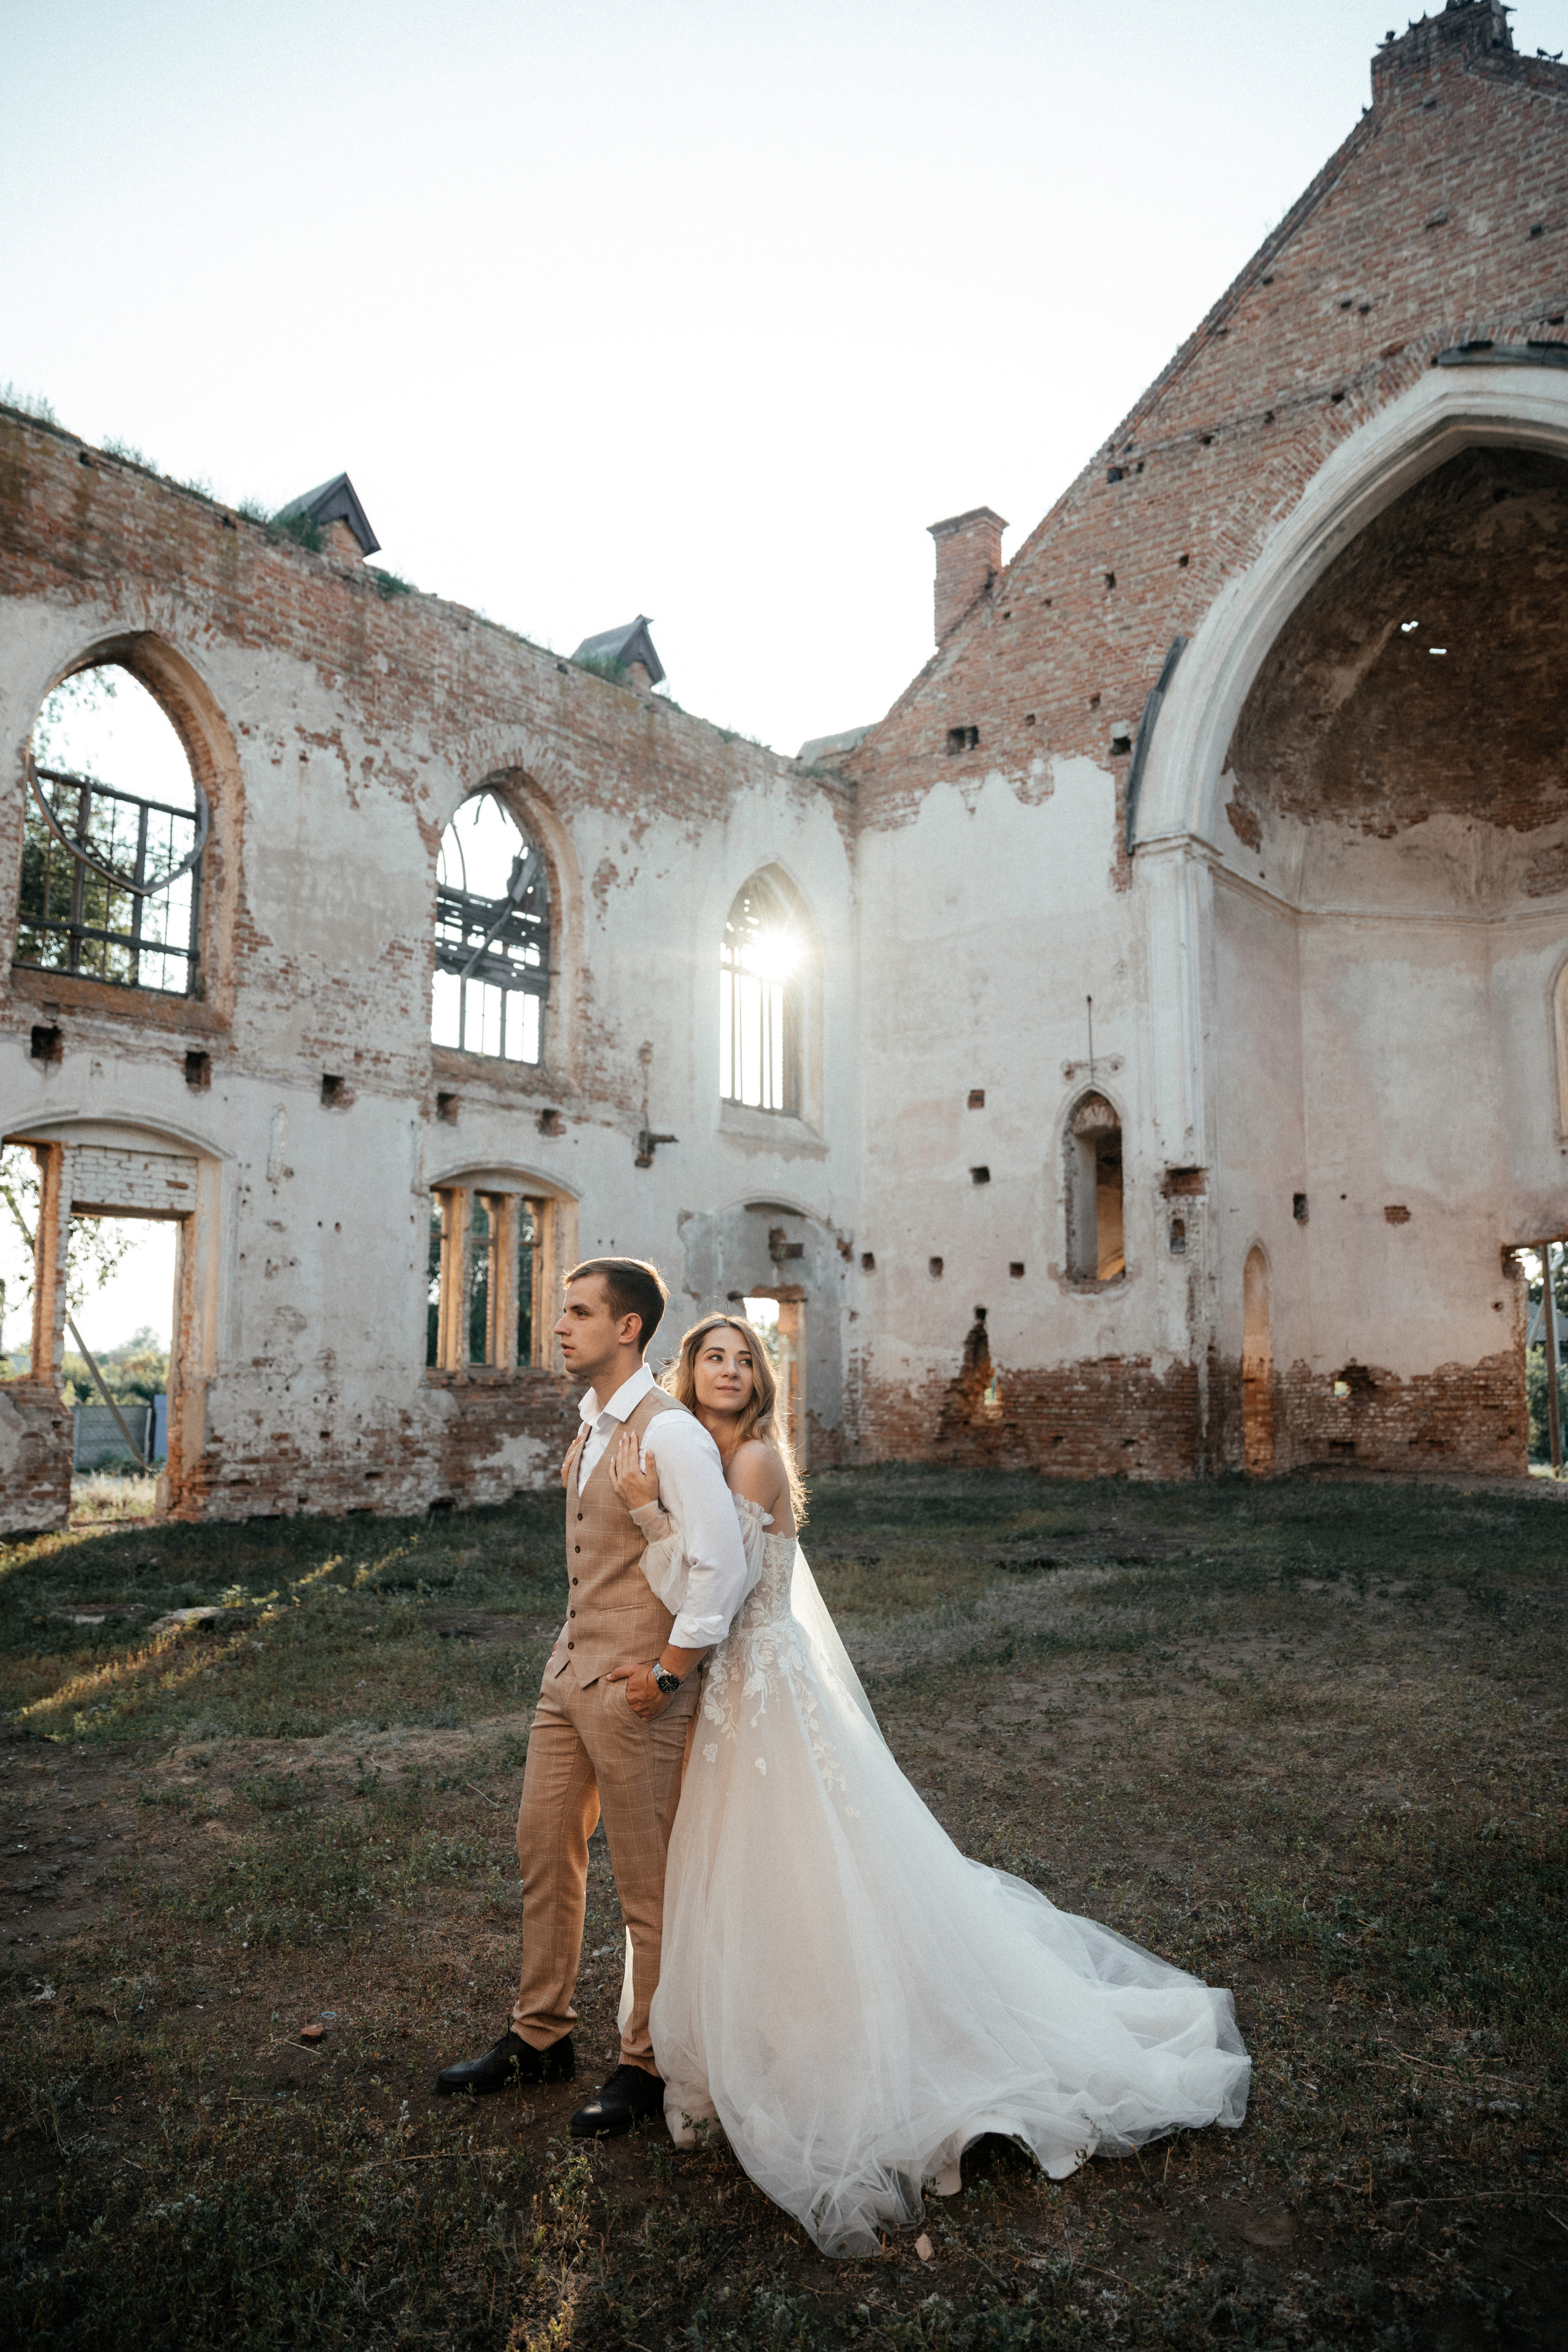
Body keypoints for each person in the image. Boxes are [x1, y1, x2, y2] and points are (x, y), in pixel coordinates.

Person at [612, 1313, 1251, 2258]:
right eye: (715, 1356)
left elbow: (718, 1588)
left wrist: (647, 1516)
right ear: (689, 1369)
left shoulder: (751, 1466)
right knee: (748, 1872)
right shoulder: (707, 1457)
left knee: (801, 1859)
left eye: (747, 1359)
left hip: (766, 1692)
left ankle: (837, 2050)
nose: (732, 1369)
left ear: (762, 1382)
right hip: (734, 1693)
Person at [434, 1259, 749, 2141]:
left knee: (648, 1889)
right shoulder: (587, 1426)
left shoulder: (672, 1434)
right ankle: (541, 2036)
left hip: (640, 1692)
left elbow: (718, 1565)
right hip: (567, 1681)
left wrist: (667, 1672)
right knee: (545, 1852)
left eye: (577, 1312)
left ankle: (646, 2064)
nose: (559, 1327)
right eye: (560, 1312)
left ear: (629, 1329)